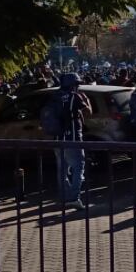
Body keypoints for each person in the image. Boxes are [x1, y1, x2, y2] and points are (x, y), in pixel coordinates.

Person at [48, 72, 93, 210]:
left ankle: (65, 197)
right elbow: (88, 112)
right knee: (78, 168)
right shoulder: (75, 97)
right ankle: (74, 198)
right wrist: (87, 101)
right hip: (73, 138)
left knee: (62, 170)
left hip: (57, 139)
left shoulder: (54, 96)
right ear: (73, 85)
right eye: (77, 84)